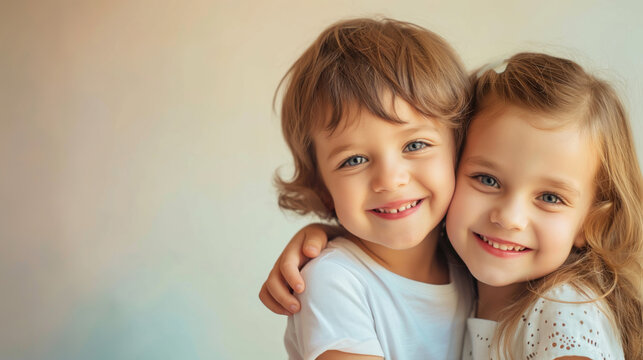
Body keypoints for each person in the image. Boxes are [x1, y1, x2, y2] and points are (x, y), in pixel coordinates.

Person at [261, 53, 643, 359]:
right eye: (487, 180)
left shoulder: (565, 309)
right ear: (456, 165)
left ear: (589, 223)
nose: (508, 218)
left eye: (550, 198)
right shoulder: (461, 272)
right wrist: (332, 236)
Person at [270, 18, 475, 360]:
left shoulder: (469, 262)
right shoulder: (332, 282)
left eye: (415, 145)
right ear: (322, 187)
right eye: (354, 160)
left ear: (459, 151)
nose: (390, 180)